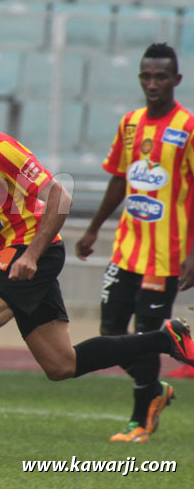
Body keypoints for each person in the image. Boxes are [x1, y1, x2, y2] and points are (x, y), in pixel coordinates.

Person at [0, 75, 194, 459]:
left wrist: (31, 255)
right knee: (62, 364)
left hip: (31, 250)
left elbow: (59, 198)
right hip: (12, 253)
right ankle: (166, 339)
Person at [75, 43, 194, 442]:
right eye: (146, 76)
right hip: (126, 248)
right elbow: (119, 179)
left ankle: (140, 420)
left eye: (161, 77)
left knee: (146, 336)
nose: (153, 83)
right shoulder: (130, 124)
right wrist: (93, 229)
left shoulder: (188, 128)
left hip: (165, 255)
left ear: (177, 80)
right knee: (112, 333)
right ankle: (156, 391)